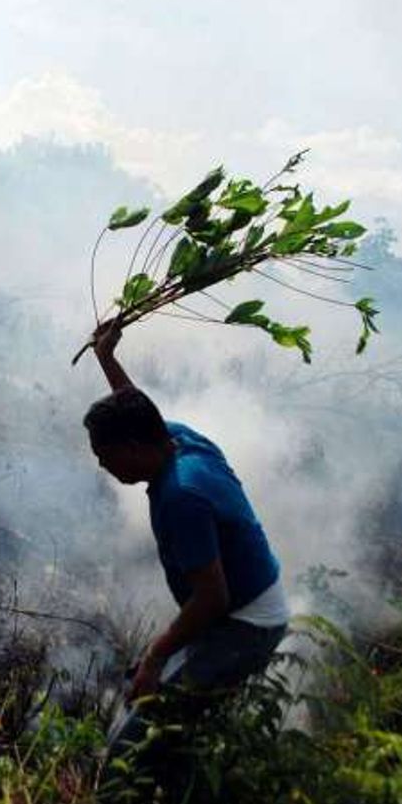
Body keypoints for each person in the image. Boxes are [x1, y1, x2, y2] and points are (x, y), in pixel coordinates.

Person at [84, 321, 290, 763]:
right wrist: (108, 360)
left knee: (132, 748)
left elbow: (213, 598)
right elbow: (137, 408)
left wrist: (157, 655)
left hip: (246, 623)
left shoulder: (182, 497)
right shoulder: (177, 439)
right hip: (246, 604)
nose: (103, 467)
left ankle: (128, 800)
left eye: (107, 457)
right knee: (161, 699)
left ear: (135, 447)